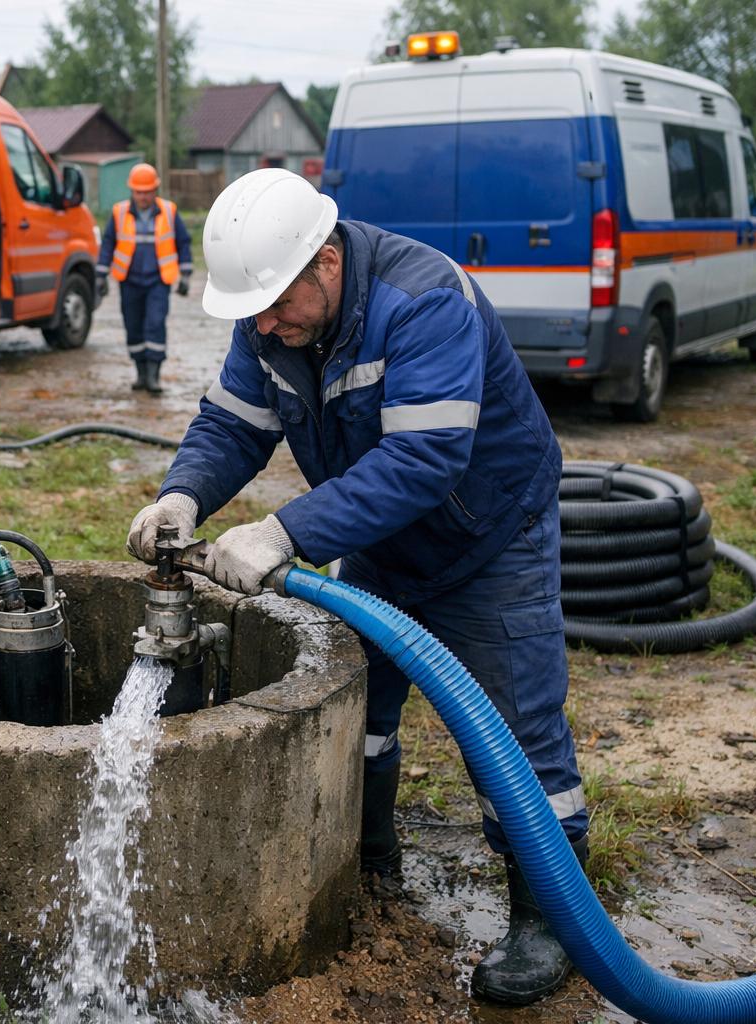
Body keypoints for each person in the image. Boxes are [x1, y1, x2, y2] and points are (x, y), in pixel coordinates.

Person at [127, 168, 589, 1006]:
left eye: (275, 308)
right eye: (252, 313)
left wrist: (284, 533)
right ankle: (371, 862)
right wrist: (182, 494)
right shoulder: (271, 315)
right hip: (378, 537)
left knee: (516, 728)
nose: (263, 326)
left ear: (327, 262)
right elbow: (233, 422)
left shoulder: (425, 300)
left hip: (488, 533)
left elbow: (424, 460)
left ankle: (547, 915)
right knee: (360, 705)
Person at [96, 162, 193, 395]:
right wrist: (101, 275)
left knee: (155, 324)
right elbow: (109, 243)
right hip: (129, 281)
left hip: (158, 281)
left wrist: (186, 274)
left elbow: (183, 242)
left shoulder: (169, 211)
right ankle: (140, 373)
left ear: (155, 190)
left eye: (147, 191)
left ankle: (153, 376)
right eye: (139, 192)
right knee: (133, 327)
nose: (143, 196)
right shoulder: (119, 212)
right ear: (132, 191)